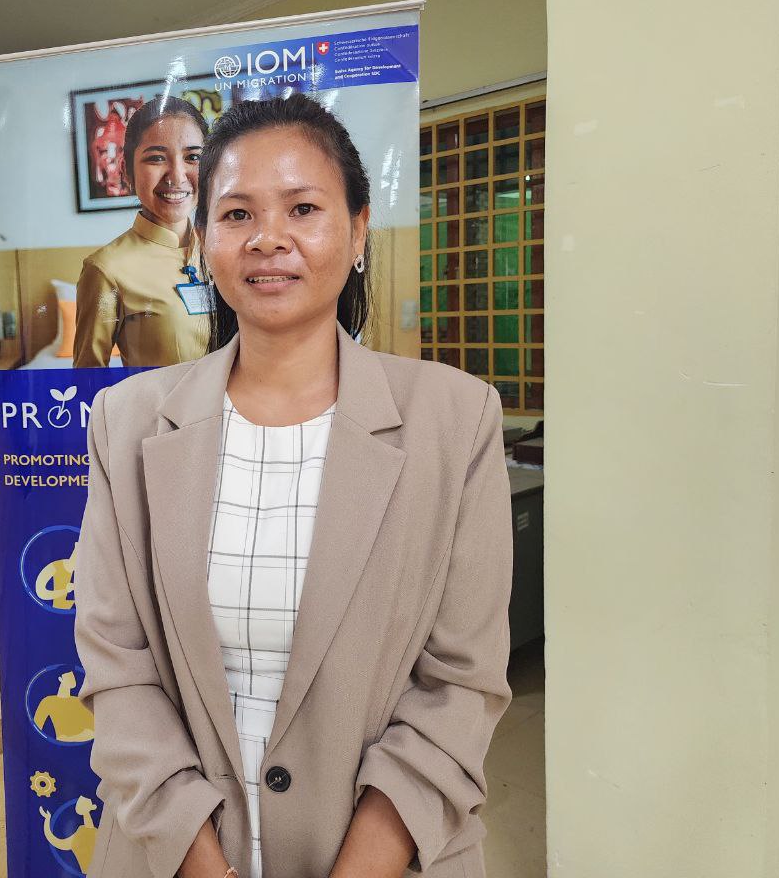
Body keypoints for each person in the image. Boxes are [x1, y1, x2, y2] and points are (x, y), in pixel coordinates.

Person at [73, 94, 514, 878]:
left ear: (358, 231)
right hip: (171, 856)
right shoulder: (127, 422)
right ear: (203, 238)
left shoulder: (456, 419)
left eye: (303, 208)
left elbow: (460, 684)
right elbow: (119, 667)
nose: (268, 238)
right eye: (237, 214)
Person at [73, 96, 212, 368]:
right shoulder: (106, 269)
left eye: (193, 157)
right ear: (126, 171)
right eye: (157, 158)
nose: (177, 176)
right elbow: (88, 380)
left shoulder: (222, 251)